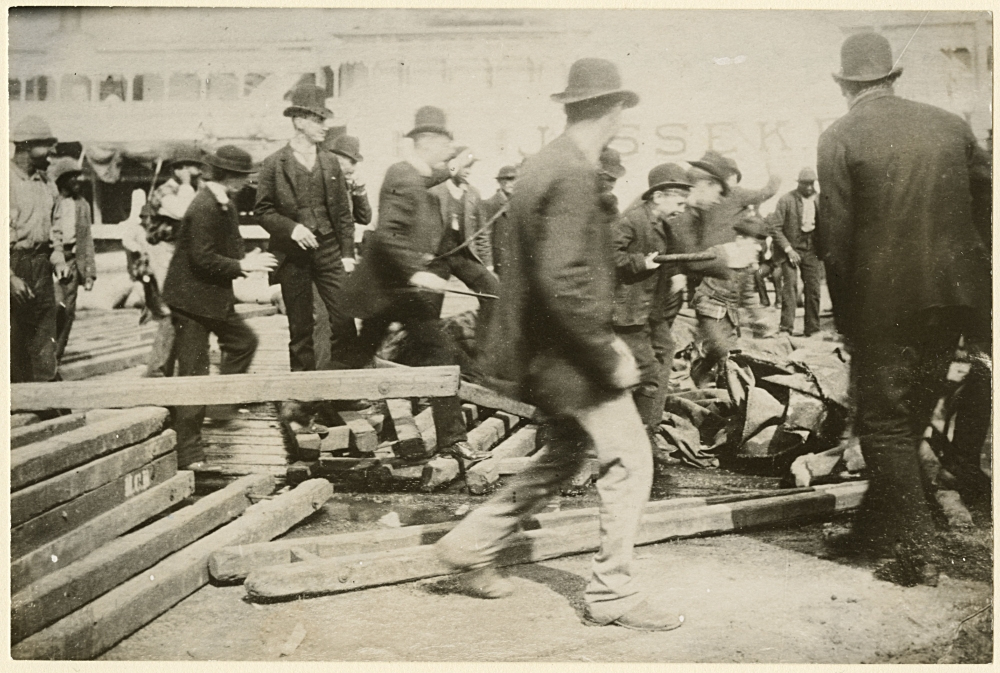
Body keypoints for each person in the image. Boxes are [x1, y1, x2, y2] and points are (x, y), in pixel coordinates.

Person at [434, 58, 685, 631]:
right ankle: (614, 594)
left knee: (563, 454)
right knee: (630, 459)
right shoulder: (571, 172)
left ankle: (471, 546)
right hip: (568, 353)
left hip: (540, 348)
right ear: (614, 109)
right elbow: (565, 278)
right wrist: (606, 352)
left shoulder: (545, 164)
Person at [817, 32, 991, 586]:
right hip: (955, 299)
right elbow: (988, 210)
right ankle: (872, 530)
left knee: (884, 424)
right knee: (911, 412)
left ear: (846, 86)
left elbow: (836, 240)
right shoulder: (951, 125)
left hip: (884, 305)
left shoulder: (839, 136)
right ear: (893, 77)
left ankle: (918, 554)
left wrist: (845, 318)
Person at [340, 105, 485, 464]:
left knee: (436, 354)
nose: (446, 153)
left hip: (399, 291)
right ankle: (304, 404)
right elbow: (387, 234)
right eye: (444, 146)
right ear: (426, 142)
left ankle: (453, 440)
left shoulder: (414, 173)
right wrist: (415, 272)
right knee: (360, 354)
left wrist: (455, 165)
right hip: (386, 288)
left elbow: (433, 176)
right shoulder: (403, 177)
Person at [161, 146, 278, 468]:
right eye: (242, 176)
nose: (246, 182)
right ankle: (189, 452)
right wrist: (243, 265)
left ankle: (220, 407)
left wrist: (241, 263)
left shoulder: (222, 201)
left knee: (243, 342)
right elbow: (203, 258)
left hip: (210, 297)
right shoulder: (205, 206)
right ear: (229, 176)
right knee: (193, 374)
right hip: (190, 301)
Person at [255, 85, 360, 430]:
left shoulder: (330, 161)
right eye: (318, 119)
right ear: (299, 121)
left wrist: (346, 255)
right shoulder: (273, 164)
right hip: (293, 257)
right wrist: (290, 228)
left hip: (329, 251)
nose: (324, 126)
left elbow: (344, 214)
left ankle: (334, 394)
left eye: (324, 119)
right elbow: (263, 211)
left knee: (344, 322)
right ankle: (305, 405)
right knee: (301, 331)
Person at [611, 163, 695, 435]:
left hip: (651, 312)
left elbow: (668, 259)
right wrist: (640, 263)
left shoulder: (664, 226)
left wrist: (677, 274)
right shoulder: (631, 221)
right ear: (658, 197)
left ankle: (650, 423)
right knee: (650, 373)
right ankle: (644, 434)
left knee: (667, 351)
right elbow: (608, 257)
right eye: (679, 202)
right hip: (629, 313)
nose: (682, 209)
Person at [670, 153, 763, 387]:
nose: (719, 201)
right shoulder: (680, 212)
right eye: (718, 193)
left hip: (724, 313)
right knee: (721, 351)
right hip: (705, 307)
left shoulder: (693, 216)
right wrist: (728, 258)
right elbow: (691, 261)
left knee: (724, 351)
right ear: (706, 184)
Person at [428, 145, 501, 366]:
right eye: (466, 165)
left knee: (493, 292)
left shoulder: (473, 194)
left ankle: (483, 354)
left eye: (472, 166)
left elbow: (481, 235)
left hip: (463, 256)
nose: (469, 170)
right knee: (428, 311)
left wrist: (487, 266)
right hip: (436, 259)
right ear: (452, 163)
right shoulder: (434, 191)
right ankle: (433, 362)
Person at [10, 116, 67, 384]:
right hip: (13, 263)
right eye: (46, 145)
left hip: (41, 264)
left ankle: (45, 392)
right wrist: (9, 276)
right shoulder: (6, 182)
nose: (52, 153)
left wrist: (57, 254)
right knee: (14, 334)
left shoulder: (47, 183)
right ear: (26, 146)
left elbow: (55, 225)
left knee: (45, 329)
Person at [142, 145, 204, 377]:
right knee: (173, 309)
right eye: (192, 166)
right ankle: (158, 369)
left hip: (184, 254)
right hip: (164, 253)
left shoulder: (196, 189)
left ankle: (170, 366)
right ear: (178, 169)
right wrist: (187, 184)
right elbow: (184, 212)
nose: (197, 171)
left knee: (185, 310)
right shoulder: (165, 192)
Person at [312, 133, 373, 370]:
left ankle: (341, 383)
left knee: (344, 321)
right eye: (351, 160)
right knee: (322, 323)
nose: (354, 167)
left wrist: (359, 190)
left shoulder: (345, 185)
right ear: (336, 158)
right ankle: (317, 388)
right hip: (320, 262)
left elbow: (364, 217)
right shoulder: (321, 182)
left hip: (339, 263)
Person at [48, 157, 97, 363]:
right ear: (62, 180)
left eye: (78, 176)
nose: (78, 180)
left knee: (67, 311)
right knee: (51, 308)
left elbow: (86, 239)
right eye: (72, 177)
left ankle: (55, 358)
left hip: (71, 259)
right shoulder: (51, 201)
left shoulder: (82, 204)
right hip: (48, 258)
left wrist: (89, 272)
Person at [769, 167, 823, 336]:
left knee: (813, 289)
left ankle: (812, 329)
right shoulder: (786, 200)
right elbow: (775, 228)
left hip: (811, 248)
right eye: (805, 184)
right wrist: (789, 250)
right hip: (789, 249)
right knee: (790, 288)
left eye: (811, 184)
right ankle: (786, 328)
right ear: (798, 183)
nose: (808, 187)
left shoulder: (820, 199)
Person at [483, 164, 516, 275]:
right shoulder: (491, 204)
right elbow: (484, 237)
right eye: (507, 179)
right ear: (500, 182)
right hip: (499, 261)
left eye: (514, 179)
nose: (511, 183)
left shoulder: (518, 203)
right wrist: (488, 265)